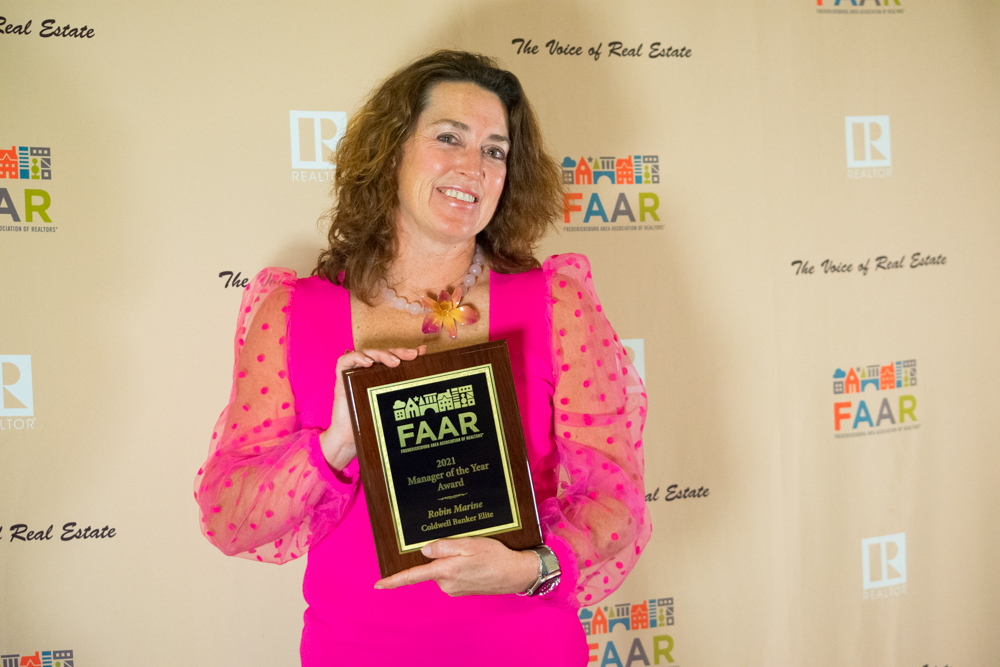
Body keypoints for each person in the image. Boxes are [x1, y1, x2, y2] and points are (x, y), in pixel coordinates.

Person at [194, 50, 650, 665]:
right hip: (356, 651)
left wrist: (530, 568)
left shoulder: (556, 304)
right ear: (390, 152)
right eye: (449, 138)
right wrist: (336, 443)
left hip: (526, 648)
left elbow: (615, 499)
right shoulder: (292, 313)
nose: (473, 167)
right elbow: (231, 519)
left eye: (495, 150)